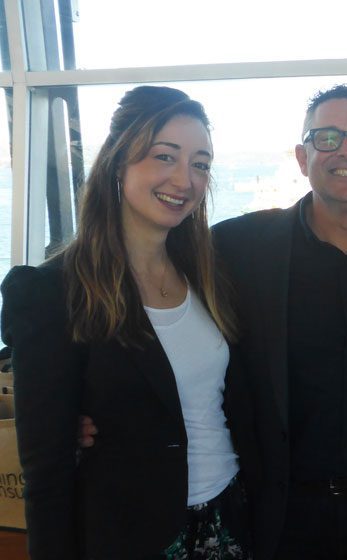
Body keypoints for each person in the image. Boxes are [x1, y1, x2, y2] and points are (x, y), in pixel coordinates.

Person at [1, 86, 257, 559]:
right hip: (133, 533)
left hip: (228, 517)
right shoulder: (52, 292)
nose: (184, 179)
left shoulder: (207, 272)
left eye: (200, 164)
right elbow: (46, 475)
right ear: (119, 161)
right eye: (165, 156)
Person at [211, 85, 347, 559]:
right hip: (280, 514)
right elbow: (149, 295)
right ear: (302, 157)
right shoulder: (236, 248)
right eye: (327, 137)